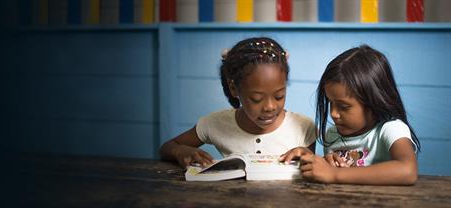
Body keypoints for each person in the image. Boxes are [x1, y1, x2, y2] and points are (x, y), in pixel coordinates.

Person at [159, 37, 316, 168]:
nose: (270, 107)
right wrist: (180, 151)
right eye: (257, 99)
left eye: (279, 96)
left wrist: (308, 157)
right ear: (234, 89)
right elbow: (166, 148)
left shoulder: (303, 127)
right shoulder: (215, 123)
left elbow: (310, 174)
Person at [280, 45, 421, 185]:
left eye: (343, 106)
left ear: (373, 102)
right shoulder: (332, 135)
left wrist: (335, 174)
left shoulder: (390, 129)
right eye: (330, 103)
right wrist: (311, 160)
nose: (333, 114)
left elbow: (407, 171)